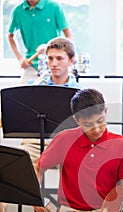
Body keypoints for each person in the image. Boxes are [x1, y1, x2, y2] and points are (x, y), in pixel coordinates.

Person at [21, 36, 82, 167]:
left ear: (71, 61)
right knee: (23, 160)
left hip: (68, 143)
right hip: (36, 142)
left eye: (59, 58)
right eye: (50, 58)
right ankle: (34, 188)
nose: (54, 64)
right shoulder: (33, 86)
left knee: (79, 163)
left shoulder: (80, 91)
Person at [8, 0, 73, 84]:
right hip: (32, 64)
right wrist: (20, 58)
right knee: (21, 94)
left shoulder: (54, 7)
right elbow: (10, 36)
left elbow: (69, 36)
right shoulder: (17, 11)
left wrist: (61, 56)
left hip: (54, 63)